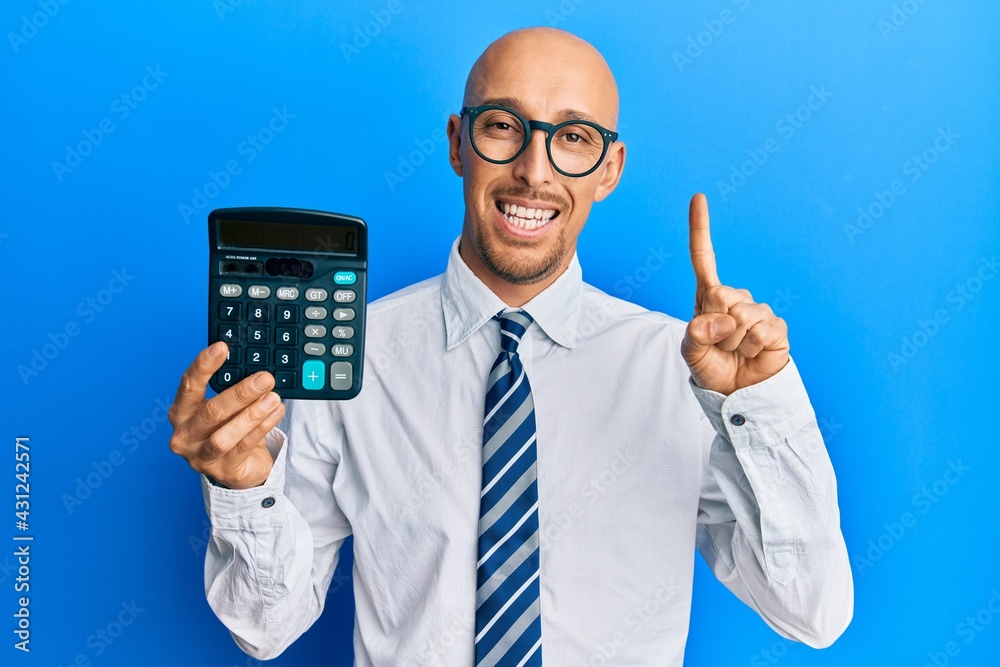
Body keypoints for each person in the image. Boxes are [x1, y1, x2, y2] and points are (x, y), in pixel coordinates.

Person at [169, 27, 852, 666]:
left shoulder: (683, 374)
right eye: (503, 126)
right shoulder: (353, 358)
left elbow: (811, 610)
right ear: (458, 143)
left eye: (574, 137)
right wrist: (241, 484)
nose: (534, 170)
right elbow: (264, 625)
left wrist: (759, 405)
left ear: (609, 169)